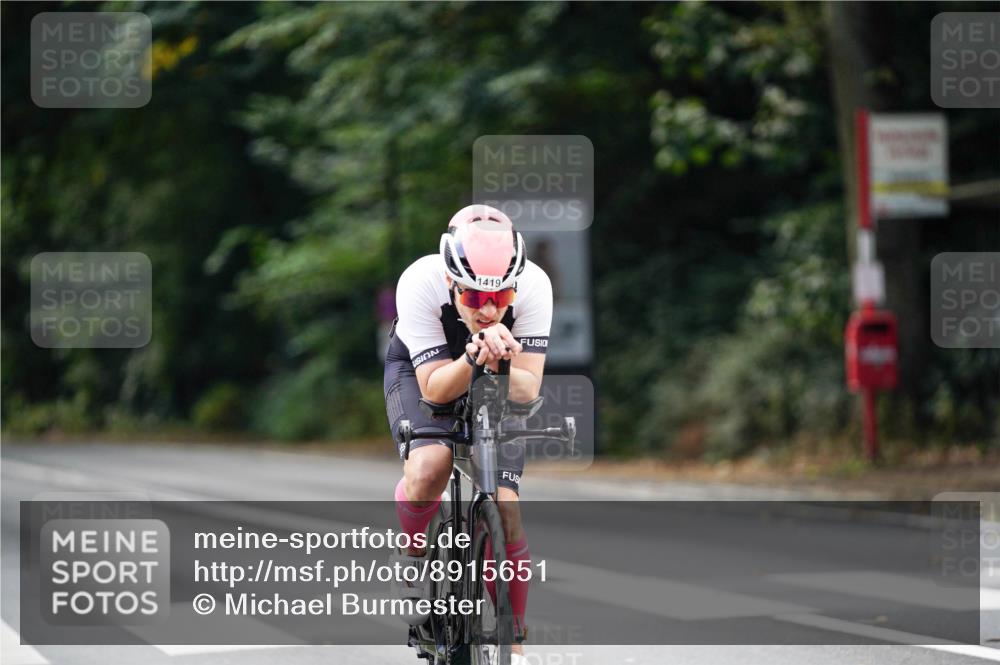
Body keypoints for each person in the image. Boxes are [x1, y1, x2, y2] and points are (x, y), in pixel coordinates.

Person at [384, 204, 552, 661]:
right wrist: (475, 356)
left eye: (501, 298)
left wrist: (499, 362)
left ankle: (513, 640)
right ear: (451, 282)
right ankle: (413, 557)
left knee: (507, 503)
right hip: (427, 368)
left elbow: (526, 389)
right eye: (474, 297)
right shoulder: (419, 281)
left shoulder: (536, 286)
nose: (489, 308)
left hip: (496, 371)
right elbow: (436, 391)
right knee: (430, 466)